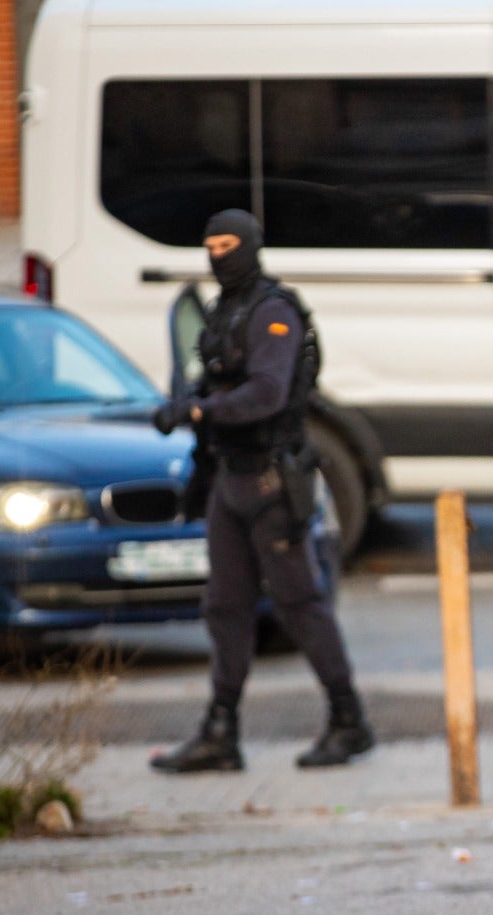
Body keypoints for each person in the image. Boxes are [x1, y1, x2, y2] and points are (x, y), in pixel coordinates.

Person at [149, 208, 375, 773]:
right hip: (231, 478)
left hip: (272, 480)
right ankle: (220, 732)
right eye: (212, 245)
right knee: (225, 607)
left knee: (300, 603)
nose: (221, 254)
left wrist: (202, 408)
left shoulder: (274, 312)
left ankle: (350, 721)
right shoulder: (225, 310)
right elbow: (215, 378)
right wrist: (188, 404)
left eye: (230, 244)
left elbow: (269, 394)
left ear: (252, 245)